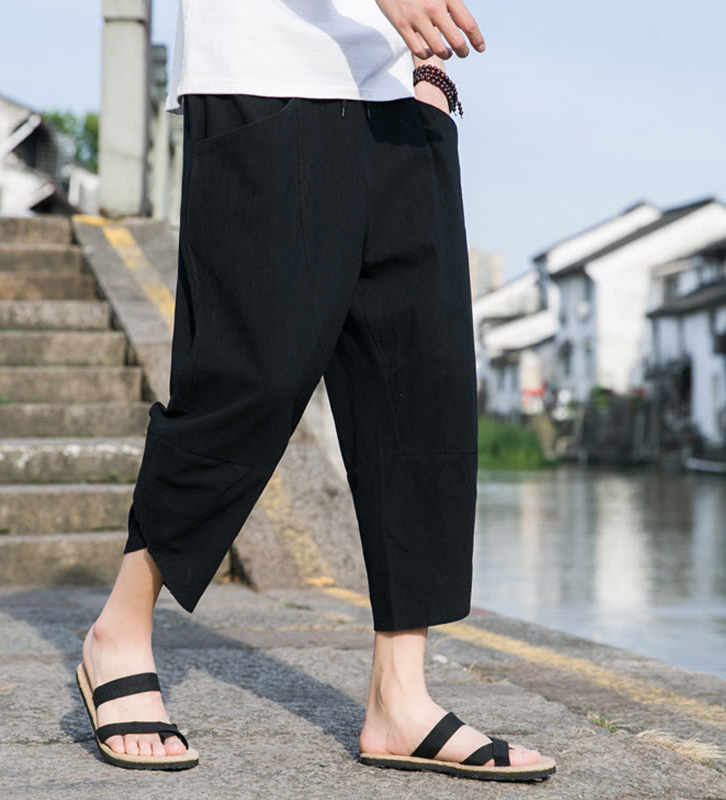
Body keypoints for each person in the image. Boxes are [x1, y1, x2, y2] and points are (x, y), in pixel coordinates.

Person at [77, 0, 556, 781]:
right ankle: (118, 633)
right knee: (250, 375)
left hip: (403, 94)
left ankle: (401, 695)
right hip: (266, 67)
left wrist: (427, 75)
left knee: (421, 389)